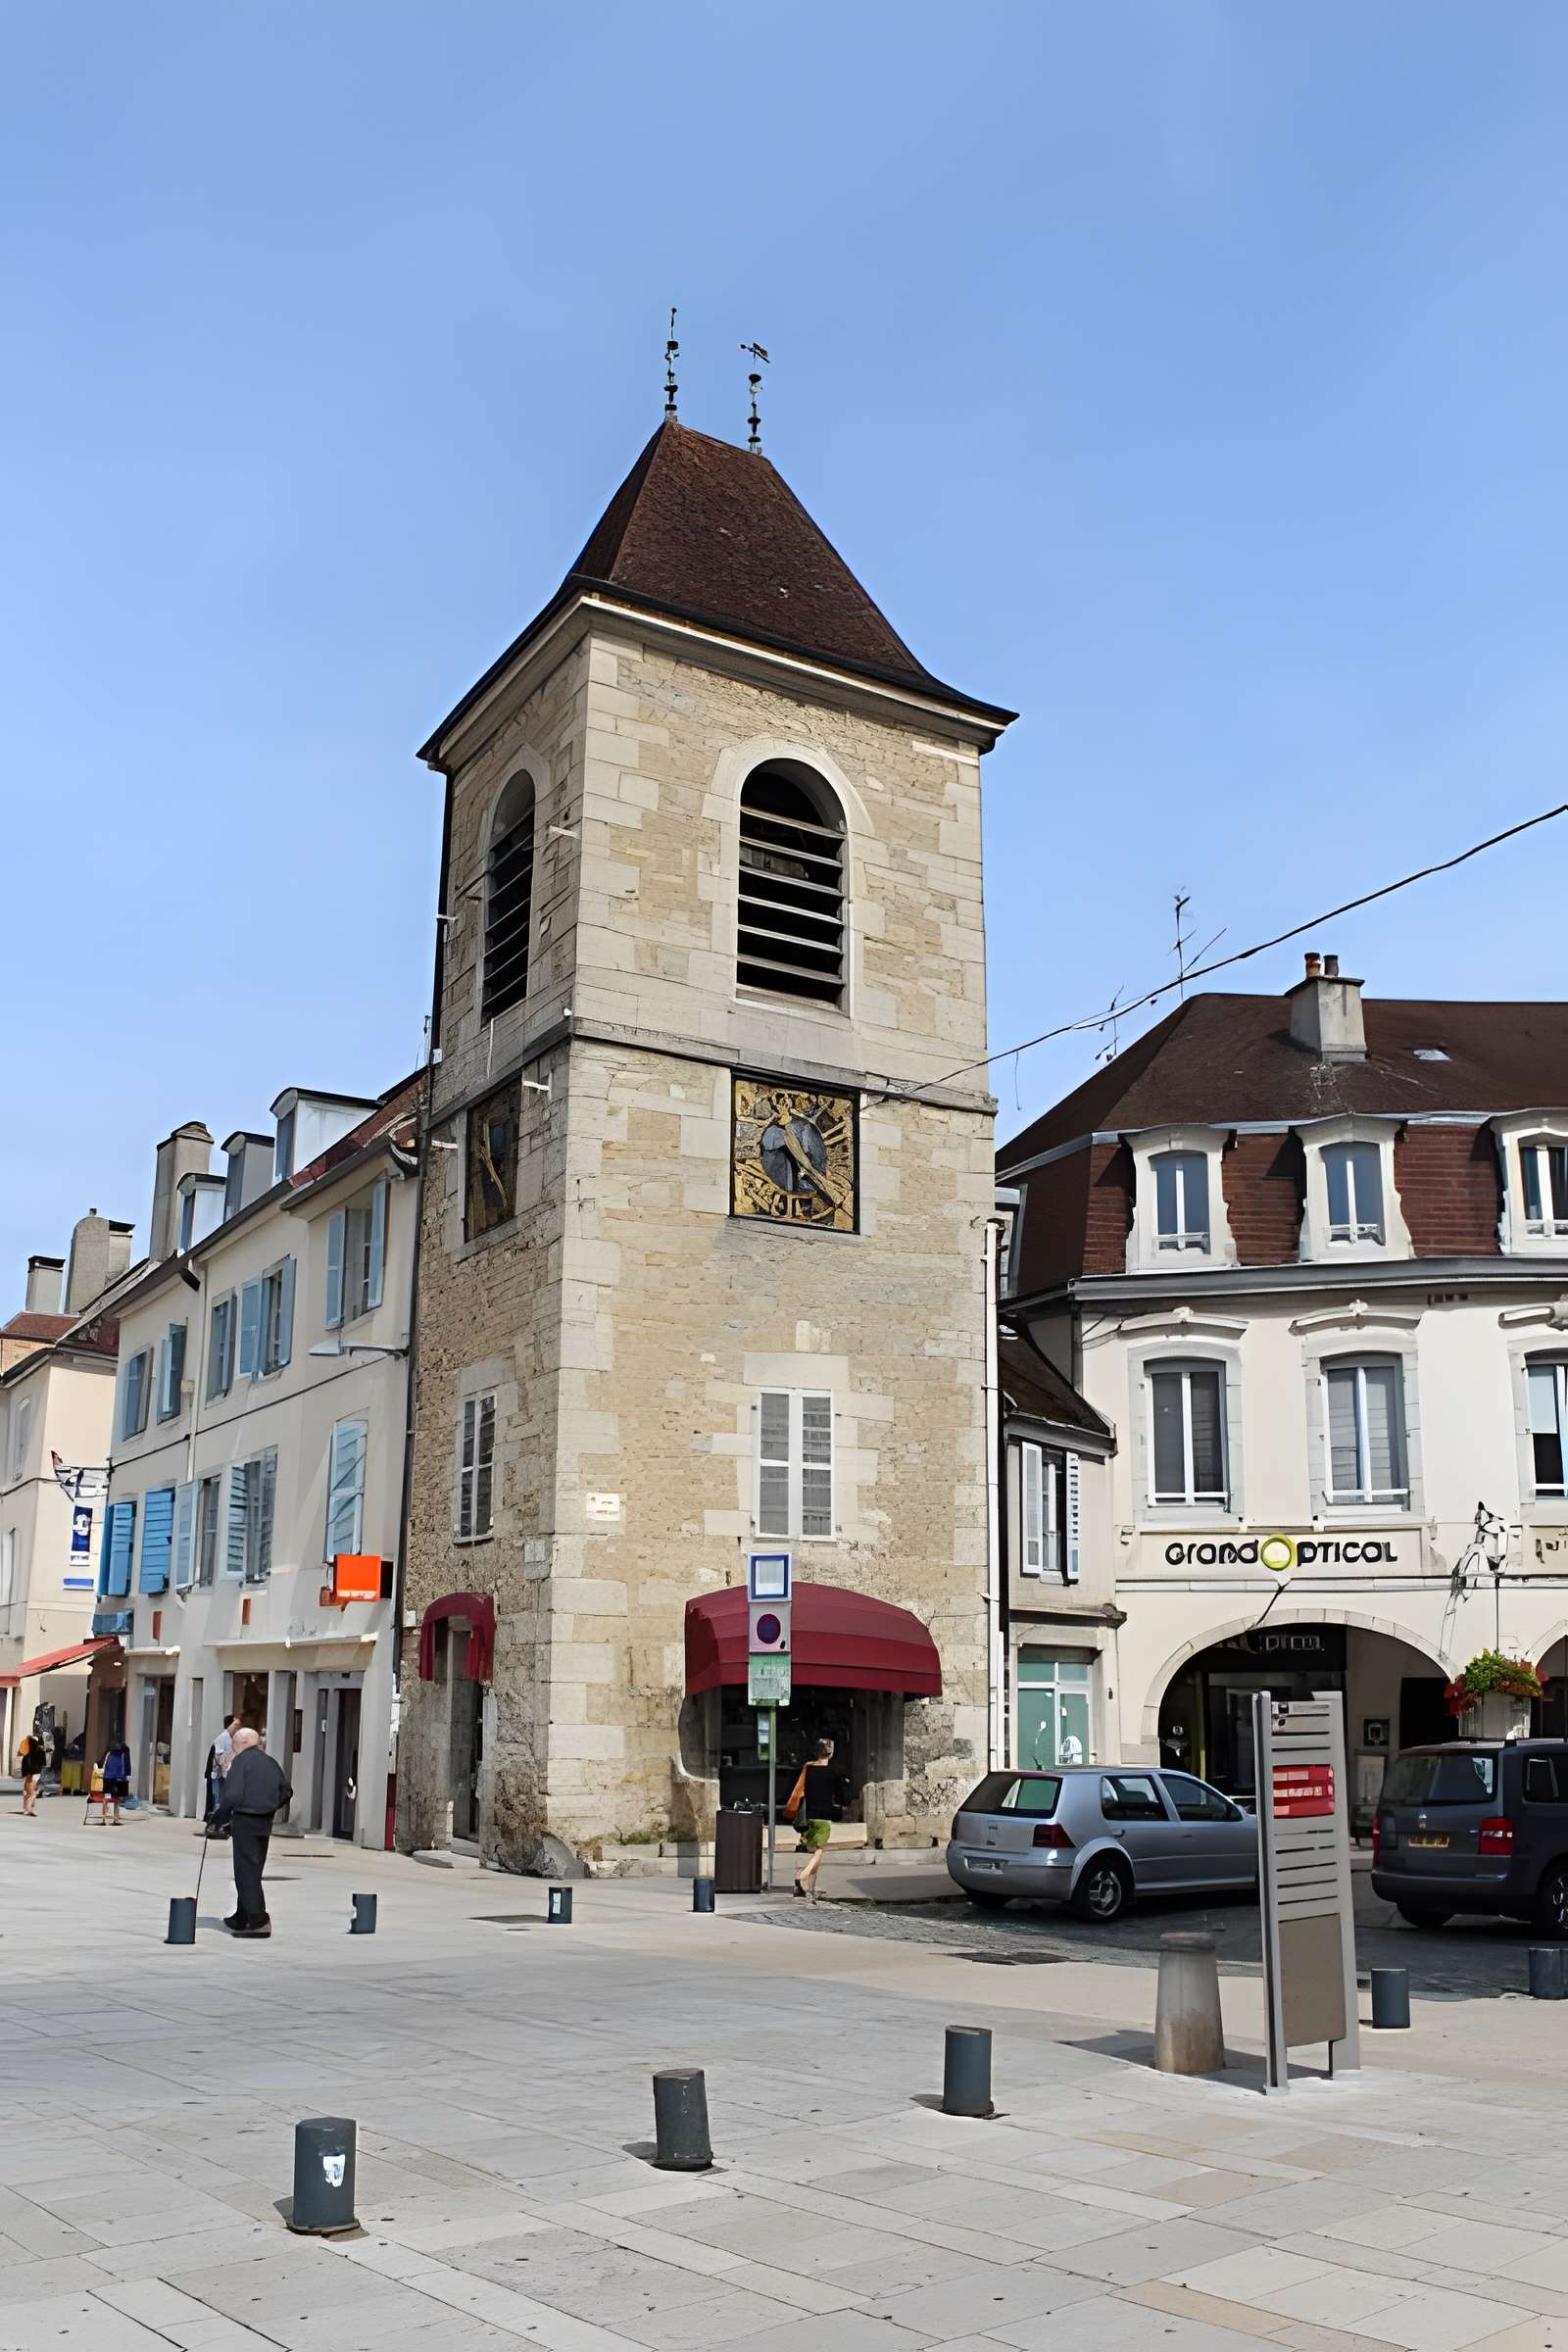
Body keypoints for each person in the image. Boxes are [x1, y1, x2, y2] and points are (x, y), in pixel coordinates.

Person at [209, 1727, 292, 1938]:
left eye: (235, 1744)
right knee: (253, 1868)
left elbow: (233, 1795)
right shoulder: (270, 1762)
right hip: (264, 1821)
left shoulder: (241, 1762)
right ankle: (242, 1916)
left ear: (242, 1744)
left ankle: (259, 1921)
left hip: (245, 1819)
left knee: (246, 1872)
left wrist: (219, 1818)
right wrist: (270, 1806)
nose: (233, 1749)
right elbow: (287, 1791)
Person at [784, 1737, 838, 1902]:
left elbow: (798, 1791)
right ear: (831, 1754)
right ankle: (803, 1876)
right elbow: (837, 1795)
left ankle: (809, 1888)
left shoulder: (808, 1768)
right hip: (823, 1817)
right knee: (819, 1850)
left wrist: (790, 1812)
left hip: (809, 1816)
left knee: (815, 1851)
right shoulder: (832, 1772)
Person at [203, 1714, 237, 1838]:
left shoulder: (230, 1738)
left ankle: (220, 1826)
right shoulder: (223, 1738)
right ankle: (215, 1827)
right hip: (219, 1776)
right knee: (219, 1801)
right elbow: (218, 1757)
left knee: (223, 1801)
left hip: (224, 1775)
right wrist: (226, 1772)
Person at [99, 1736, 133, 1826]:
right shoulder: (125, 1751)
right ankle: (115, 1819)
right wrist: (128, 1775)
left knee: (106, 1797)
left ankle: (103, 1819)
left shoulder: (109, 1753)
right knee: (117, 1799)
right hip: (119, 1779)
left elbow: (104, 1765)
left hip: (108, 1778)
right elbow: (127, 1764)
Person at [16, 1733, 45, 1816]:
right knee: (31, 1792)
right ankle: (29, 1809)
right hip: (34, 1773)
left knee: (29, 1791)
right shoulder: (38, 1751)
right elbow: (43, 1763)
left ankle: (28, 1808)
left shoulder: (27, 1753)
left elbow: (24, 1765)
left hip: (31, 1774)